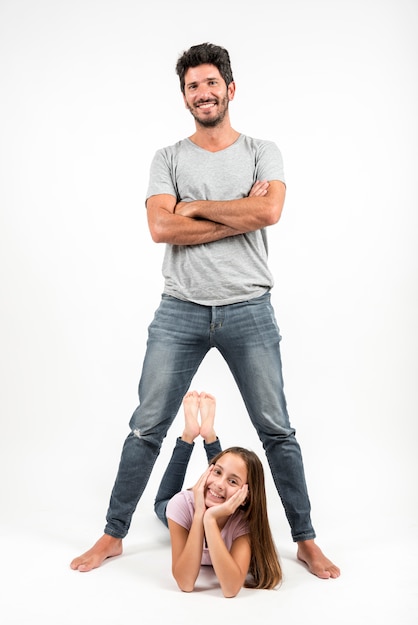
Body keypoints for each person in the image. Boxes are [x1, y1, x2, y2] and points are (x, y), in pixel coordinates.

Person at [70, 42, 340, 579]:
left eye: (211, 83)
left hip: (249, 308)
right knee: (146, 426)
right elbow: (160, 228)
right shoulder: (167, 158)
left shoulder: (264, 151)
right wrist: (238, 212)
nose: (203, 93)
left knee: (277, 430)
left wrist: (193, 206)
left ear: (230, 89)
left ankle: (306, 539)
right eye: (193, 86)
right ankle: (112, 534)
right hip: (180, 310)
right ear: (185, 97)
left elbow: (270, 210)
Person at [154, 390, 282, 597]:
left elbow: (231, 589)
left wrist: (210, 519)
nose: (220, 483)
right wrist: (198, 515)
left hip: (212, 504)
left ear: (247, 495)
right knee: (162, 503)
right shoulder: (181, 505)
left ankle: (210, 438)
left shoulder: (243, 522)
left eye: (234, 481)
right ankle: (190, 436)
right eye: (216, 472)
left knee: (224, 480)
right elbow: (185, 583)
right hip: (187, 507)